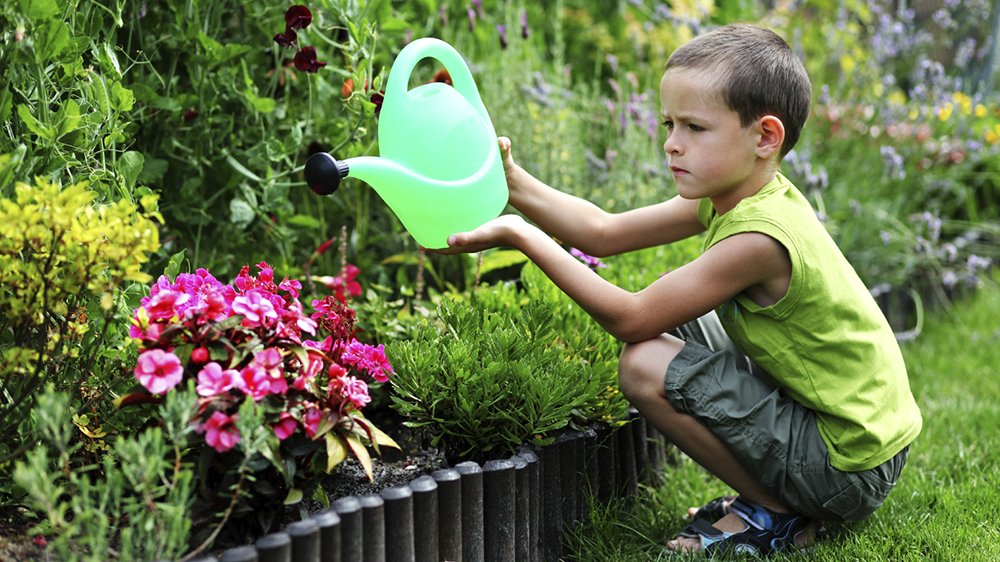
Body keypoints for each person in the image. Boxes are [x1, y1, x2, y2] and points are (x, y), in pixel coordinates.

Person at [431, 23, 922, 556]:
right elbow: (602, 231)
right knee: (676, 309)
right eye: (668, 123)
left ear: (764, 137)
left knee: (643, 362)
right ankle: (774, 497)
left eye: (694, 127)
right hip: (855, 443)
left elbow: (631, 320)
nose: (671, 143)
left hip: (846, 466)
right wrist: (511, 179)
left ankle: (774, 514)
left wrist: (521, 234)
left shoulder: (759, 237)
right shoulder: (739, 193)